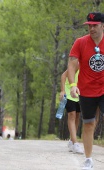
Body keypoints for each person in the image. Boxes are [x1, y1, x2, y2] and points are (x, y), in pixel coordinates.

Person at [67, 12, 104, 169]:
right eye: (89, 25)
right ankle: (88, 160)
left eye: (95, 25)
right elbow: (71, 65)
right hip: (86, 90)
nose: (91, 28)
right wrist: (72, 84)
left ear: (103, 25)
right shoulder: (80, 42)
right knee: (89, 124)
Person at [60, 68, 83, 154]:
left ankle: (71, 140)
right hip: (68, 93)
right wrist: (63, 90)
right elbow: (63, 75)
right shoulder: (77, 65)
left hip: (78, 93)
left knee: (77, 116)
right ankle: (76, 143)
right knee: (72, 115)